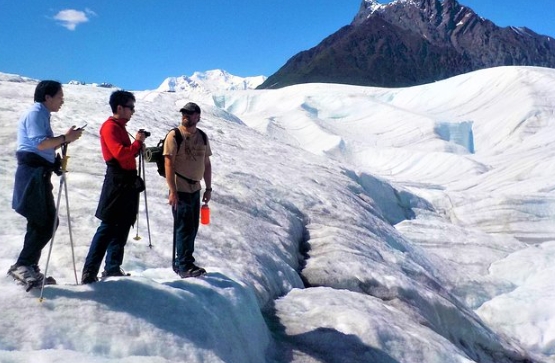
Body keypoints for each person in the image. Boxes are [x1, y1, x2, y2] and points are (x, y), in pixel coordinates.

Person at [9, 80, 83, 285]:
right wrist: (64, 138)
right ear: (47, 97)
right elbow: (39, 143)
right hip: (33, 173)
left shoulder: (42, 114)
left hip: (38, 172)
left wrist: (59, 151)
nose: (62, 101)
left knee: (41, 220)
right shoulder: (35, 114)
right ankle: (23, 265)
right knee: (44, 221)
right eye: (59, 96)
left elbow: (42, 146)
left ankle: (28, 265)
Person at [81, 90, 146, 284]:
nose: (132, 111)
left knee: (123, 224)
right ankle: (90, 271)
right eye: (130, 107)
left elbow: (124, 154)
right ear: (119, 108)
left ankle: (112, 267)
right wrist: (137, 144)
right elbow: (121, 154)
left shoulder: (118, 127)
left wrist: (136, 146)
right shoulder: (110, 127)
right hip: (117, 181)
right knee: (109, 225)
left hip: (124, 181)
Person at [164, 102, 212, 278]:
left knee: (192, 227)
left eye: (190, 113)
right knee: (184, 228)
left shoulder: (203, 137)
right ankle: (184, 265)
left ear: (197, 117)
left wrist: (208, 188)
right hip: (181, 189)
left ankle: (185, 262)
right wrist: (172, 190)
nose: (186, 115)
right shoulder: (174, 135)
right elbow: (168, 162)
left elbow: (206, 163)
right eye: (184, 113)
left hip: (195, 189)